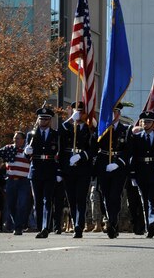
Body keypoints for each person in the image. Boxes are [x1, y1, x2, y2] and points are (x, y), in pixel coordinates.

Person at [0, 131, 32, 236]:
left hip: (24, 181)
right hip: (11, 180)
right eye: (14, 138)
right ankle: (17, 224)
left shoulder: (28, 150)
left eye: (18, 138)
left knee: (22, 204)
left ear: (23, 140)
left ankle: (18, 227)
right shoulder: (9, 148)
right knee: (11, 204)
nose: (15, 140)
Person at [95, 102, 133, 239]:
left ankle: (112, 222)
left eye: (115, 112)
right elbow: (95, 145)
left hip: (118, 167)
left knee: (114, 196)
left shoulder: (126, 130)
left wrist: (118, 163)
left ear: (119, 114)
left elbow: (129, 150)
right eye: (110, 112)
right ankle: (110, 220)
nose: (112, 115)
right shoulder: (102, 129)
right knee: (105, 196)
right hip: (104, 164)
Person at [59, 102, 96, 238]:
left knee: (81, 198)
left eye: (81, 111)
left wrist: (81, 156)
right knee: (71, 199)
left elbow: (93, 147)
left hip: (83, 167)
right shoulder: (68, 126)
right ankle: (75, 222)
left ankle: (78, 226)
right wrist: (70, 119)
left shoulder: (89, 128)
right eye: (76, 111)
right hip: (68, 167)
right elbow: (60, 133)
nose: (79, 113)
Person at [129, 111, 154, 238]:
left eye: (148, 122)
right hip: (140, 172)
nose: (145, 124)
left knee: (152, 199)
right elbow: (132, 156)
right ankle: (148, 223)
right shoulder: (136, 137)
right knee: (144, 200)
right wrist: (133, 174)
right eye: (144, 121)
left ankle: (151, 224)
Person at [25, 106, 61, 239]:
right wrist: (26, 151)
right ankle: (40, 227)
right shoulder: (31, 135)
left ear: (50, 121)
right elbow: (26, 155)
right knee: (38, 201)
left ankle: (46, 227)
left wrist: (59, 171)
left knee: (47, 200)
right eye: (41, 119)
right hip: (36, 170)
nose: (43, 121)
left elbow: (59, 154)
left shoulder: (55, 134)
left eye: (45, 119)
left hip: (50, 169)